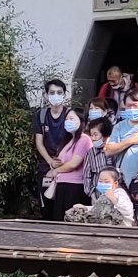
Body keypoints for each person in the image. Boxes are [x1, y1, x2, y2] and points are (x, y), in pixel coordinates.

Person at [42, 106, 93, 216]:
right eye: (66, 119)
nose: (68, 121)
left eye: (71, 119)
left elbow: (73, 164)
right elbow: (62, 161)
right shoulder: (69, 140)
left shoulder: (84, 139)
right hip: (61, 185)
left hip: (74, 187)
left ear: (81, 121)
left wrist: (56, 171)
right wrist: (54, 165)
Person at [33, 79, 72, 216]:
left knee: (64, 209)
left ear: (65, 95)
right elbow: (39, 142)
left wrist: (60, 163)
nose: (56, 96)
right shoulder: (41, 115)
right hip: (46, 167)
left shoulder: (70, 115)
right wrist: (50, 162)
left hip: (67, 166)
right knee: (47, 207)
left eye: (59, 93)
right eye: (52, 92)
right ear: (47, 95)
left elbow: (76, 140)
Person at [104, 84, 138, 188]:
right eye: (129, 106)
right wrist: (131, 141)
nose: (132, 109)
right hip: (124, 181)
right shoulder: (119, 127)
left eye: (136, 105)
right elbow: (109, 151)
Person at [82, 112, 114, 197]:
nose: (93, 138)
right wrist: (92, 195)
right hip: (97, 195)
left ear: (105, 135)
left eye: (96, 135)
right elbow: (87, 176)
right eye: (91, 135)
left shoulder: (114, 150)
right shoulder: (90, 153)